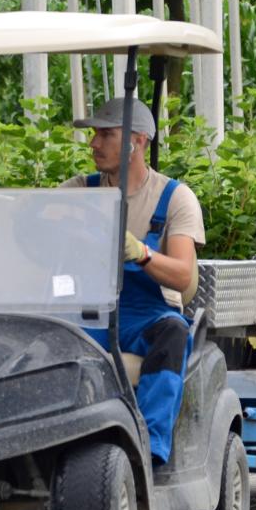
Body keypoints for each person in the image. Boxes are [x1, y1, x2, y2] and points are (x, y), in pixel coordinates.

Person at [59, 96, 205, 466]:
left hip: (147, 316)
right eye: (94, 134)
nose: (94, 144)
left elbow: (183, 275)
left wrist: (141, 252)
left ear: (137, 141)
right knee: (42, 337)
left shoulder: (174, 198)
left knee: (174, 333)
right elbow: (34, 229)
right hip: (90, 311)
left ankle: (149, 449)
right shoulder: (79, 191)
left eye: (106, 134)